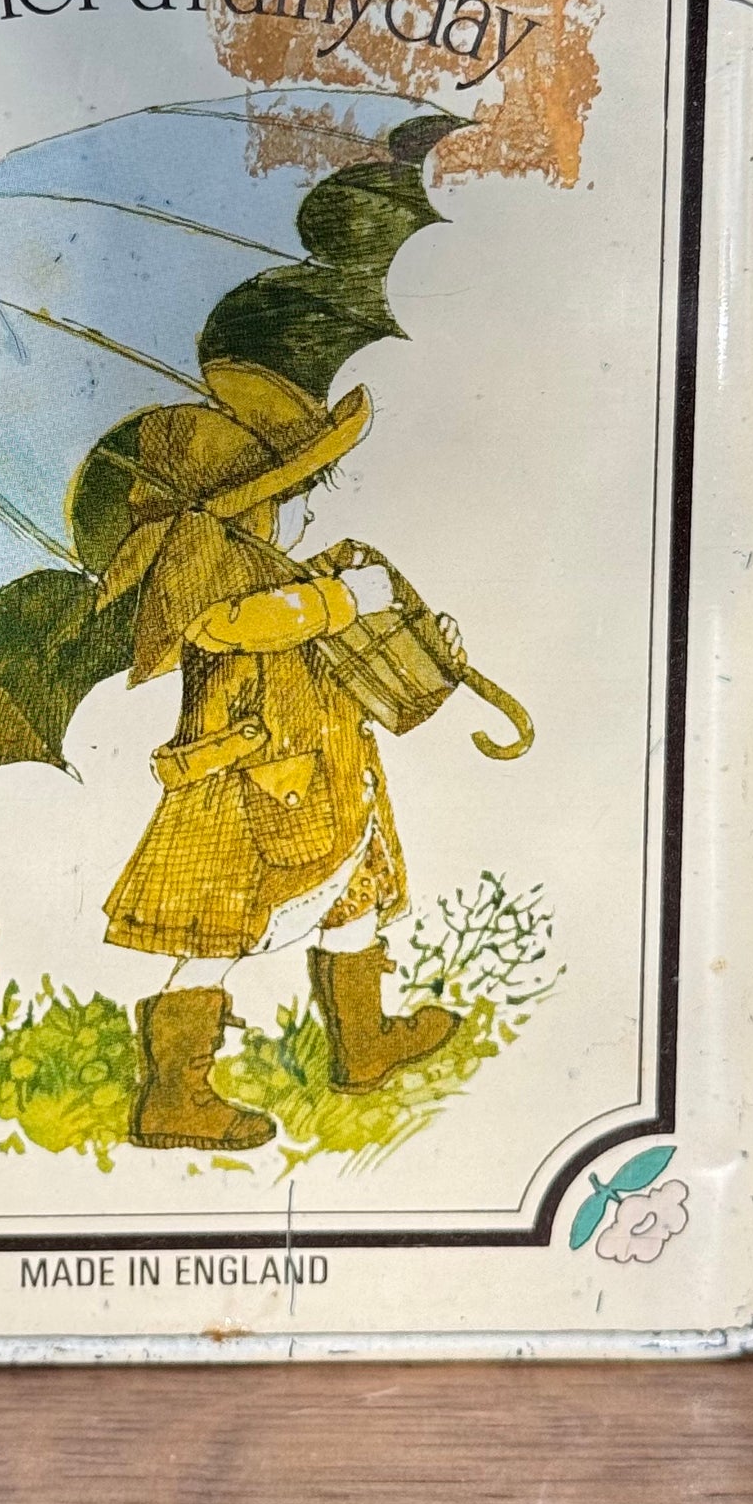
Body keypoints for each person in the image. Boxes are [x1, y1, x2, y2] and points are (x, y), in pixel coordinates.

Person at [94, 358, 458, 1152]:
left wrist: (418, 642)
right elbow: (236, 624)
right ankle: (173, 1098)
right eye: (295, 493)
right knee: (216, 936)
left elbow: (327, 649)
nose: (306, 510)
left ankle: (363, 1043)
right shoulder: (199, 568)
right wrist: (341, 600)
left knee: (352, 899)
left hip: (320, 781)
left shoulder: (269, 568)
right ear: (246, 506)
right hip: (245, 798)